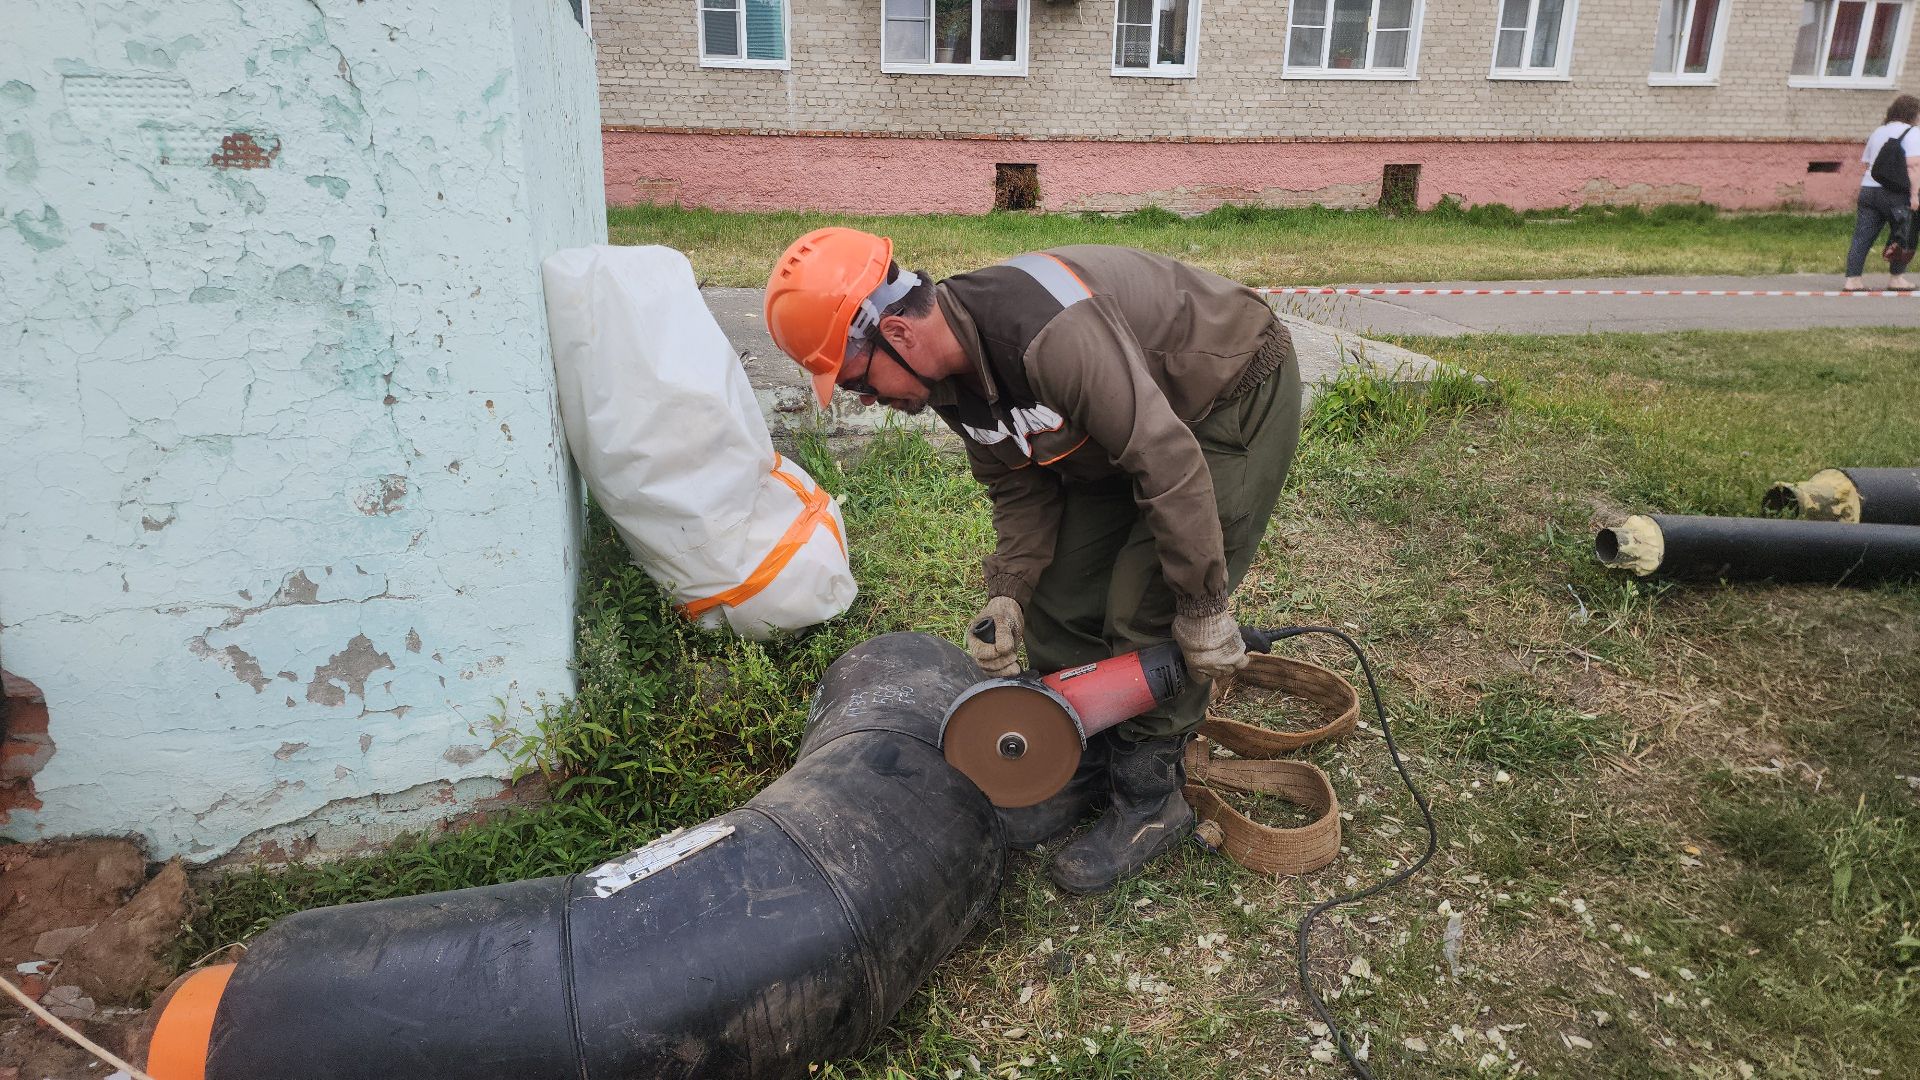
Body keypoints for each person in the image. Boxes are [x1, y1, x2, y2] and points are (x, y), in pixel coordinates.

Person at [764, 229, 1302, 894]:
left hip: (1225, 394)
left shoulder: (1049, 337)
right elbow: (1019, 484)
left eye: (857, 382)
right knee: (1060, 591)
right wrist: (1010, 590)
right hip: (1125, 428)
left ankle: (1150, 798)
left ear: (897, 334)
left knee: (1147, 603)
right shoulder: (953, 379)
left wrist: (1202, 604)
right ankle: (1076, 750)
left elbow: (1165, 459)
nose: (866, 401)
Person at [1844, 94, 1920, 292]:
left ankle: (1852, 280)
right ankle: (1896, 278)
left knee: (1862, 235)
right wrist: (1914, 195)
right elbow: (1913, 167)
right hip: (1897, 193)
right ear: (1913, 114)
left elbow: (1869, 163)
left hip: (1869, 190)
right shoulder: (1913, 133)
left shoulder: (1878, 131)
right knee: (1904, 234)